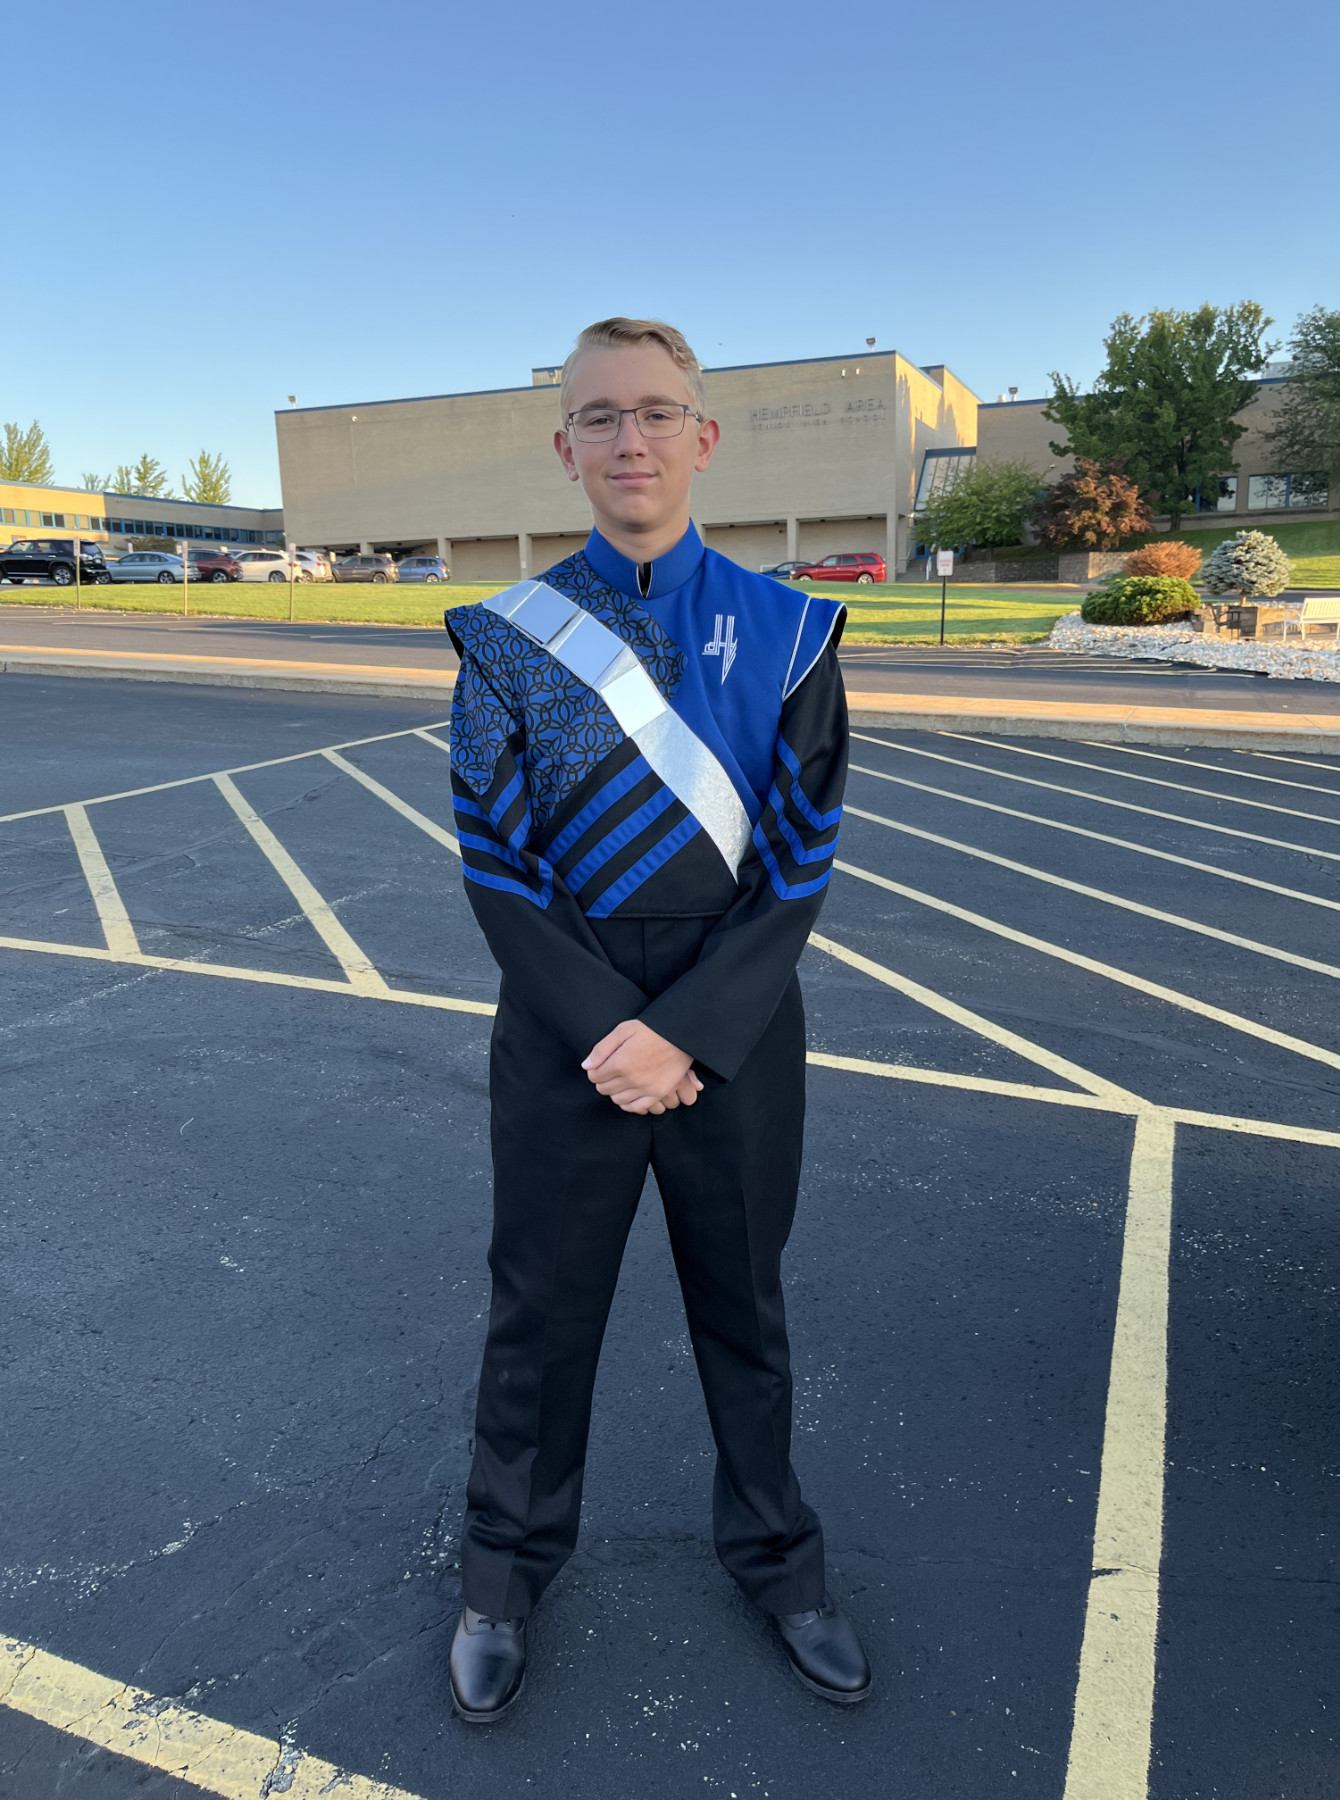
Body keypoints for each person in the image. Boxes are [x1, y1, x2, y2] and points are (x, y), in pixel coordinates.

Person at [442, 317, 869, 1723]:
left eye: (656, 413)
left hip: (732, 1031)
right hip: (563, 1025)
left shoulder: (795, 629)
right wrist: (605, 1030)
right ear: (563, 446)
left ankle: (777, 1561)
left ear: (704, 437)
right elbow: (495, 863)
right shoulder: (504, 636)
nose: (631, 441)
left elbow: (801, 859)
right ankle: (502, 1576)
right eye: (601, 418)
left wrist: (684, 1031)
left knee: (743, 1313)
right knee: (539, 1318)